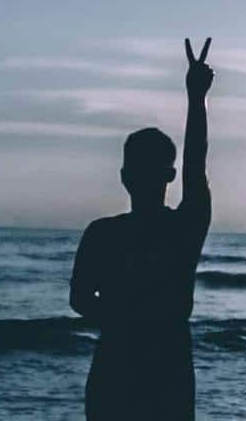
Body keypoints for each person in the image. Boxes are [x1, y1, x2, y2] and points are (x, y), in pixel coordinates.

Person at [70, 38, 215, 420]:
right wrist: (196, 98)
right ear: (169, 174)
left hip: (120, 362)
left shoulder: (103, 233)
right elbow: (196, 167)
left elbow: (81, 300)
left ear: (123, 176)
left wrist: (122, 315)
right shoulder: (184, 227)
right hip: (162, 364)